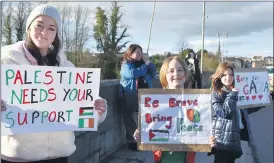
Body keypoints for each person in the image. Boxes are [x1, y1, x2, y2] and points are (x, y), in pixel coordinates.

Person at [1, 4, 108, 163]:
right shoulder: (7, 61)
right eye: (39, 25)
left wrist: (98, 109)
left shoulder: (67, 67)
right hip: (18, 155)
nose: (44, 32)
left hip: (58, 154)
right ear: (29, 28)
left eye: (51, 28)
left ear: (56, 34)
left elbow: (83, 99)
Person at [133, 56, 216, 163]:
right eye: (171, 71)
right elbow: (147, 130)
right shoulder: (155, 102)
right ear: (164, 75)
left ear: (185, 75)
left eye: (180, 70)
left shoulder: (196, 101)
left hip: (186, 158)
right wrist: (139, 134)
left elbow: (201, 129)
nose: (176, 74)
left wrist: (210, 139)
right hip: (162, 158)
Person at [118, 44, 156, 151]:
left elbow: (153, 75)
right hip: (128, 95)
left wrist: (151, 65)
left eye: (141, 52)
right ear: (130, 53)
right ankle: (132, 141)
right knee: (129, 119)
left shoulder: (144, 65)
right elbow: (132, 74)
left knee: (145, 118)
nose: (140, 54)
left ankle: (144, 139)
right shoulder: (126, 65)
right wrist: (145, 67)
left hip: (144, 95)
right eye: (137, 52)